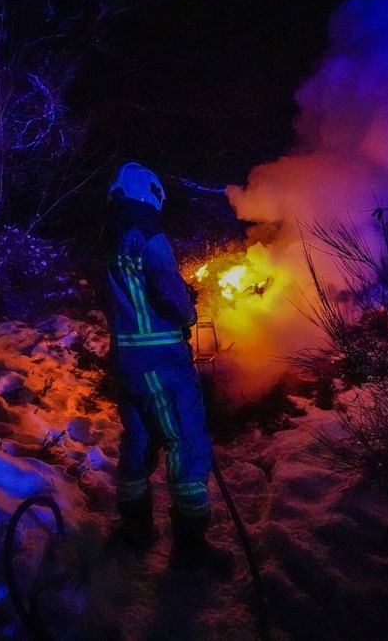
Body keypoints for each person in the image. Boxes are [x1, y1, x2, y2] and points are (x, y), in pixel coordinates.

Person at [101, 162, 232, 576]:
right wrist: (187, 306)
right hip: (161, 360)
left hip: (125, 361)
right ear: (152, 195)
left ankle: (135, 529)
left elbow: (128, 297)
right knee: (186, 443)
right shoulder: (150, 237)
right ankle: (192, 547)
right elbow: (175, 305)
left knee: (138, 440)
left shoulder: (107, 240)